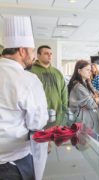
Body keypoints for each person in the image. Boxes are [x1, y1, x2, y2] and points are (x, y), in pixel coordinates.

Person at [0, 16, 48, 180]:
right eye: (32, 51)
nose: (33, 56)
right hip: (13, 165)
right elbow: (37, 123)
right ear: (22, 51)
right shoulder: (28, 80)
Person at [30, 45, 68, 128]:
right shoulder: (31, 71)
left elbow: (64, 92)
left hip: (57, 115)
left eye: (51, 54)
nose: (49, 55)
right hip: (38, 115)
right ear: (38, 55)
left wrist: (64, 109)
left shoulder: (57, 72)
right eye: (46, 53)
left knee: (54, 139)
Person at [68, 60, 99, 136]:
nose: (90, 72)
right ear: (79, 71)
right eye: (87, 70)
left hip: (91, 121)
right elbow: (91, 104)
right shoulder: (78, 86)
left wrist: (95, 99)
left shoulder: (87, 83)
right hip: (84, 122)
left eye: (90, 70)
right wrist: (95, 99)